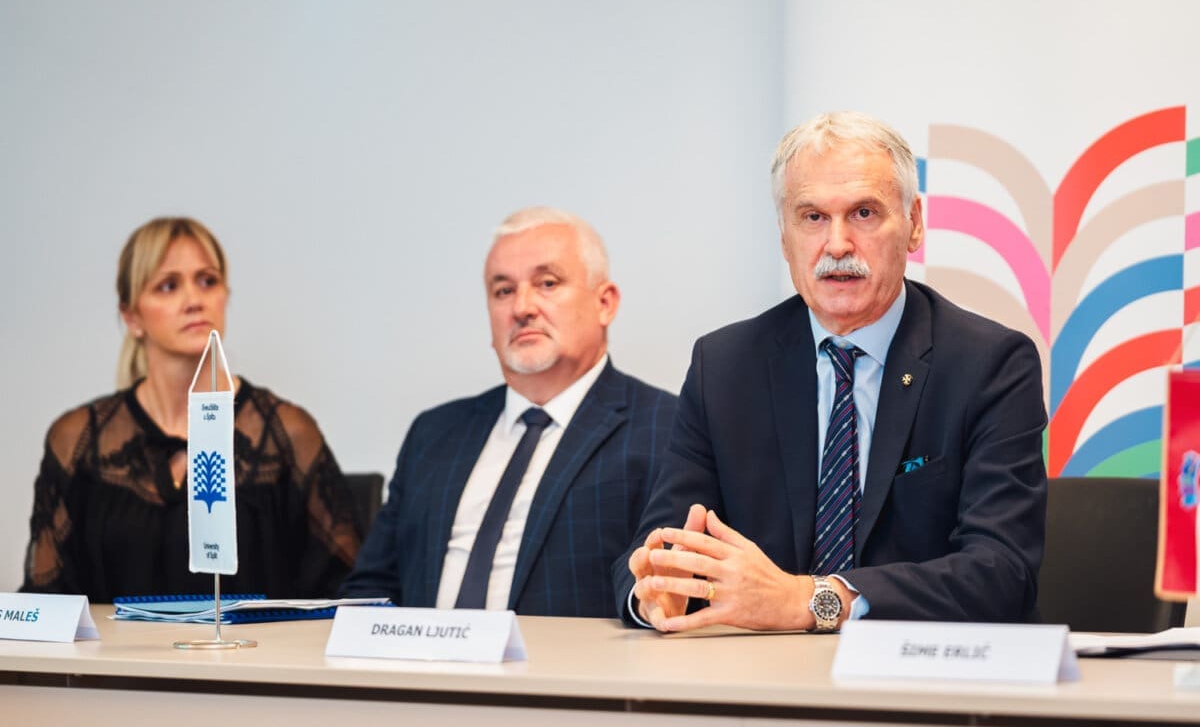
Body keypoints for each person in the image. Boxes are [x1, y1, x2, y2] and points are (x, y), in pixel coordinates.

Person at [618, 112, 1047, 632]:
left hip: (925, 671)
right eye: (813, 217)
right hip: (761, 676)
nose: (838, 244)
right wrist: (656, 592)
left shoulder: (990, 365)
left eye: (864, 213)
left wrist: (814, 600)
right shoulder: (726, 367)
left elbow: (1001, 571)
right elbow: (660, 544)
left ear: (913, 223)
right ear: (785, 237)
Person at [341, 207, 676, 616]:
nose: (522, 308)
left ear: (604, 303)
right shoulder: (434, 434)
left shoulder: (666, 429)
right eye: (503, 291)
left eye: (547, 283)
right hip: (424, 657)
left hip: (567, 659)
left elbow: (661, 593)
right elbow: (370, 590)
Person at [21, 217, 361, 601]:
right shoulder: (77, 440)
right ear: (132, 317)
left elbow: (346, 592)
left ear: (226, 296)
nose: (195, 300)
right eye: (168, 286)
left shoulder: (288, 434)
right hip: (115, 645)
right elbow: (46, 600)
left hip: (252, 643)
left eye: (208, 281)